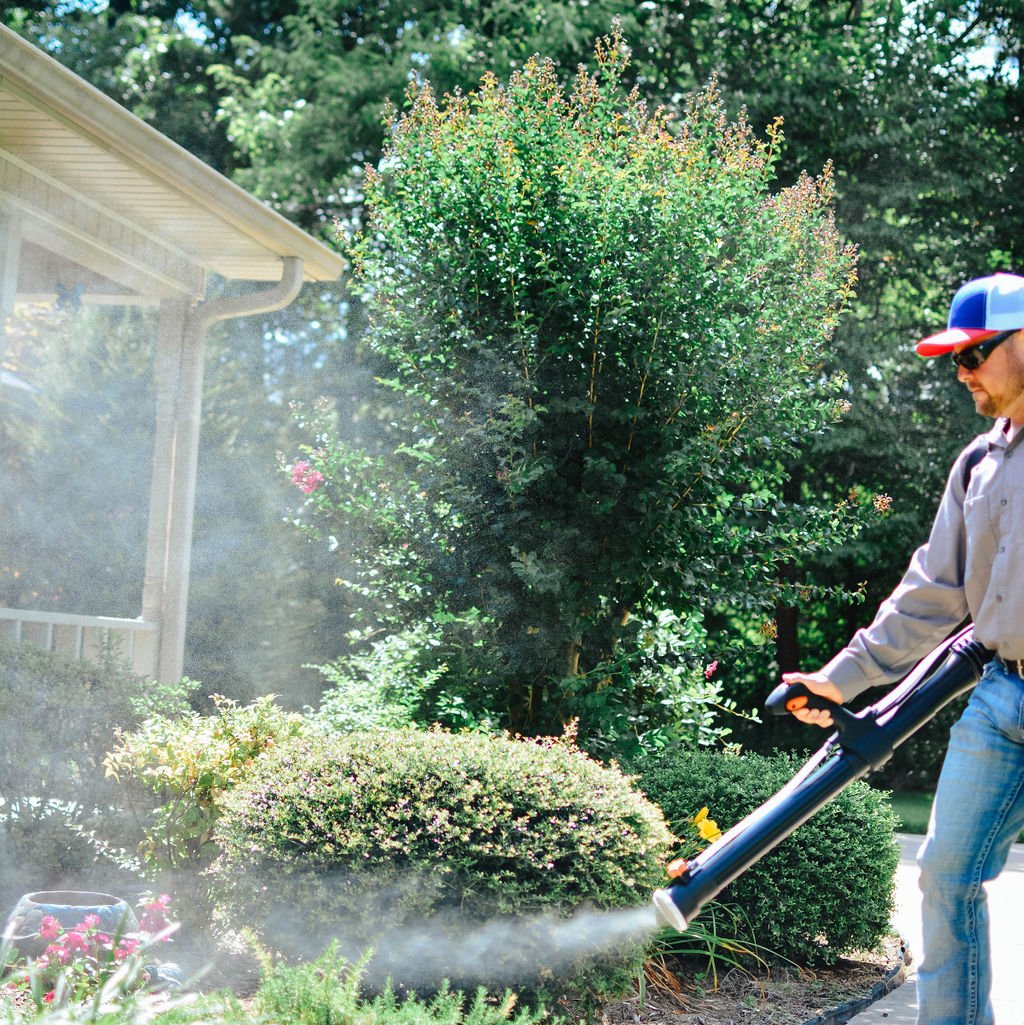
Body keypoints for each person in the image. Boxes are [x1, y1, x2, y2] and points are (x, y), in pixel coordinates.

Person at [781, 270, 1024, 1025]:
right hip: (1003, 694)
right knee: (946, 874)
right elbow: (931, 591)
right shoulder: (979, 463)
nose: (962, 372)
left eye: (976, 353)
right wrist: (839, 679)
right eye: (955, 358)